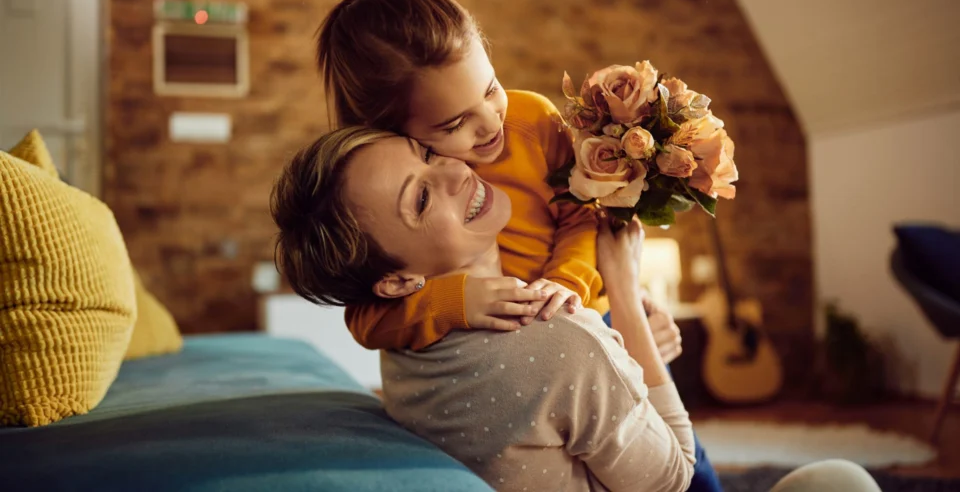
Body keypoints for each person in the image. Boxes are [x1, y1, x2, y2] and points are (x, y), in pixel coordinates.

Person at [270, 127, 880, 492]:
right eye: (423, 195)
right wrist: (622, 284)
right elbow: (674, 476)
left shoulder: (401, 347)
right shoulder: (558, 338)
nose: (457, 170)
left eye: (426, 153)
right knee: (841, 479)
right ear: (399, 280)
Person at [313, 0, 720, 490]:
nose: (489, 125)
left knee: (687, 457)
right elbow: (367, 318)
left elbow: (577, 218)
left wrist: (580, 290)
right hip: (539, 346)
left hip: (577, 308)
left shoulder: (533, 120)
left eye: (490, 89)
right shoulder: (410, 187)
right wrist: (456, 299)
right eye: (454, 123)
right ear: (395, 135)